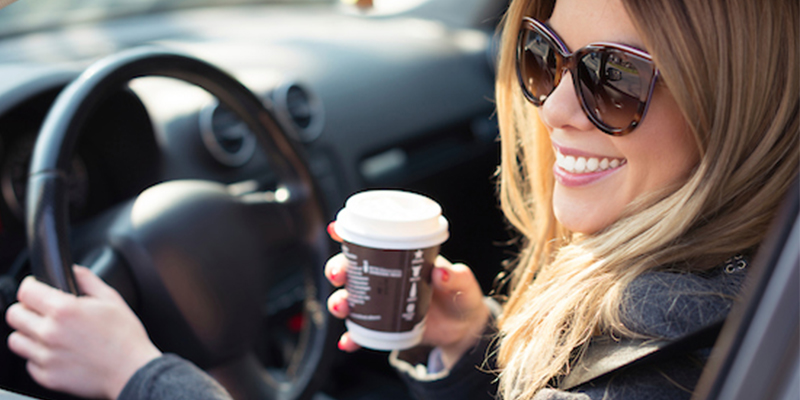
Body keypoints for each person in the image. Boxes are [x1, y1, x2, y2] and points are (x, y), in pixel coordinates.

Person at [5, 0, 798, 399]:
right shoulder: (732, 302)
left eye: (614, 79)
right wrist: (476, 346)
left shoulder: (664, 356)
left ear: (731, 104)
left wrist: (138, 374)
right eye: (545, 55)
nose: (553, 108)